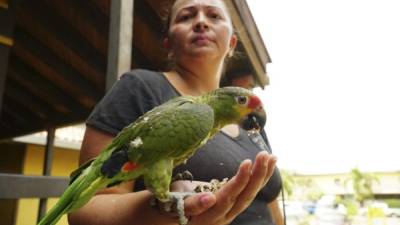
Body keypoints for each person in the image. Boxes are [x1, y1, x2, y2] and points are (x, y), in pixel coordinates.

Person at [68, 0, 282, 224]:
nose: (201, 22)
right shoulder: (140, 87)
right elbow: (84, 210)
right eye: (186, 17)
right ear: (168, 42)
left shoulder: (249, 126)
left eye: (214, 16)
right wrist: (169, 212)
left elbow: (269, 200)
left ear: (232, 43)